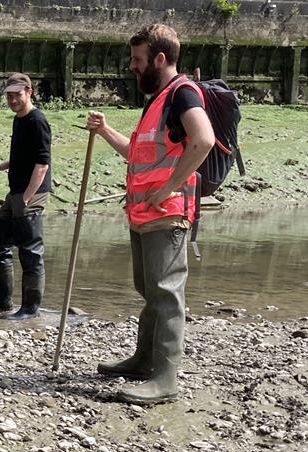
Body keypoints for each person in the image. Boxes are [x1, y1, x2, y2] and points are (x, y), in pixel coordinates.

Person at [86, 24, 215, 405]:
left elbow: (203, 139)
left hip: (167, 213)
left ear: (160, 59)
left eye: (137, 60)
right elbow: (137, 155)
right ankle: (145, 361)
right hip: (144, 214)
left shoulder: (182, 94)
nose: (132, 66)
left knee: (166, 293)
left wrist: (173, 185)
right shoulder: (157, 100)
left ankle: (165, 379)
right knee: (149, 290)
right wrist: (107, 131)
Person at [0, 72, 52, 320]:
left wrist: (27, 198)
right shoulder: (19, 119)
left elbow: (42, 164)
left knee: (30, 252)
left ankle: (30, 310)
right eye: (9, 96)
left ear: (29, 92)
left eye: (17, 95)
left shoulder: (37, 120)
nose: (12, 100)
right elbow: (21, 158)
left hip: (32, 193)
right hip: (16, 192)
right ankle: (1, 301)